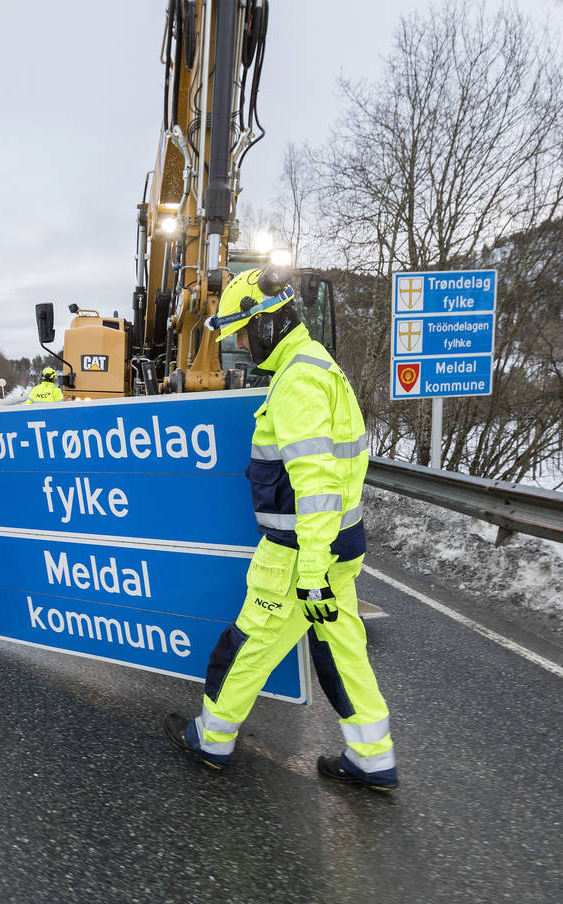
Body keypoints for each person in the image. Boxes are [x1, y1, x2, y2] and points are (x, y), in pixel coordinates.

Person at [163, 268, 398, 791]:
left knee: (247, 647)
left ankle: (212, 739)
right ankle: (372, 756)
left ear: (267, 324)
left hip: (299, 557)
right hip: (337, 548)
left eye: (243, 334)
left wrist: (310, 570)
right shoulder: (318, 367)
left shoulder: (298, 382)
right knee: (340, 647)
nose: (242, 347)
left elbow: (316, 484)